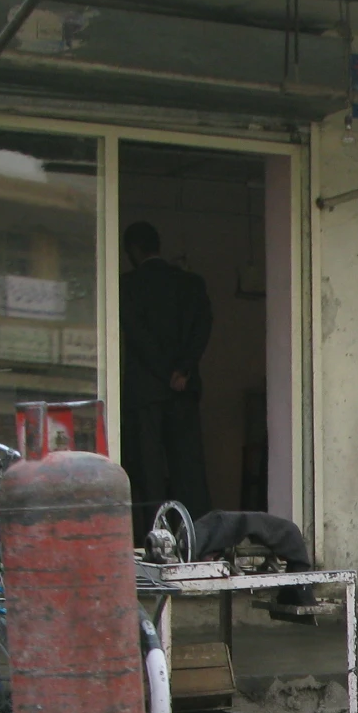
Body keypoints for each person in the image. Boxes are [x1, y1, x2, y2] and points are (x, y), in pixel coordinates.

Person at [118, 220, 213, 540]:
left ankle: (153, 542)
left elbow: (138, 335)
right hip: (182, 390)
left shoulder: (127, 286)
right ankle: (198, 540)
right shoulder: (191, 284)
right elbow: (202, 329)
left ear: (132, 250)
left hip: (146, 392)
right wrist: (182, 370)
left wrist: (163, 373)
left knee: (148, 473)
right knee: (189, 469)